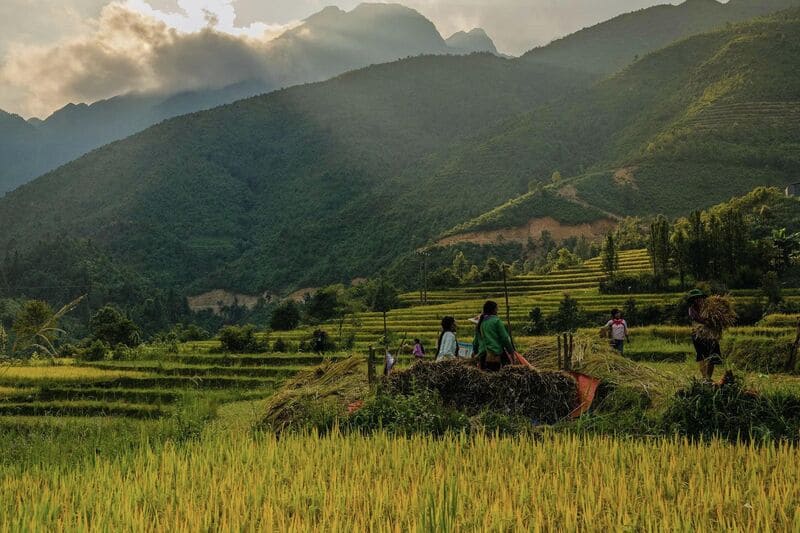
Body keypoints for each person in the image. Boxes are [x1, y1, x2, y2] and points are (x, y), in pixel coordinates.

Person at [687, 289, 722, 381]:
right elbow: (699, 319)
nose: (698, 300)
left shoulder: (710, 307)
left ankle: (708, 378)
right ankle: (704, 378)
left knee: (713, 356)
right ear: (693, 300)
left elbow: (717, 317)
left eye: (699, 297)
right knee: (701, 356)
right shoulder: (691, 310)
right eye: (695, 298)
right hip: (698, 335)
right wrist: (708, 322)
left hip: (711, 335)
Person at [472, 301, 514, 371]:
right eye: (497, 309)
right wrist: (511, 351)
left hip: (483, 355)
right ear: (493, 310)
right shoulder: (496, 321)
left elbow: (475, 342)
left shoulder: (481, 323)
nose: (497, 311)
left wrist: (476, 352)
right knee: (508, 371)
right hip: (495, 354)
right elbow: (504, 338)